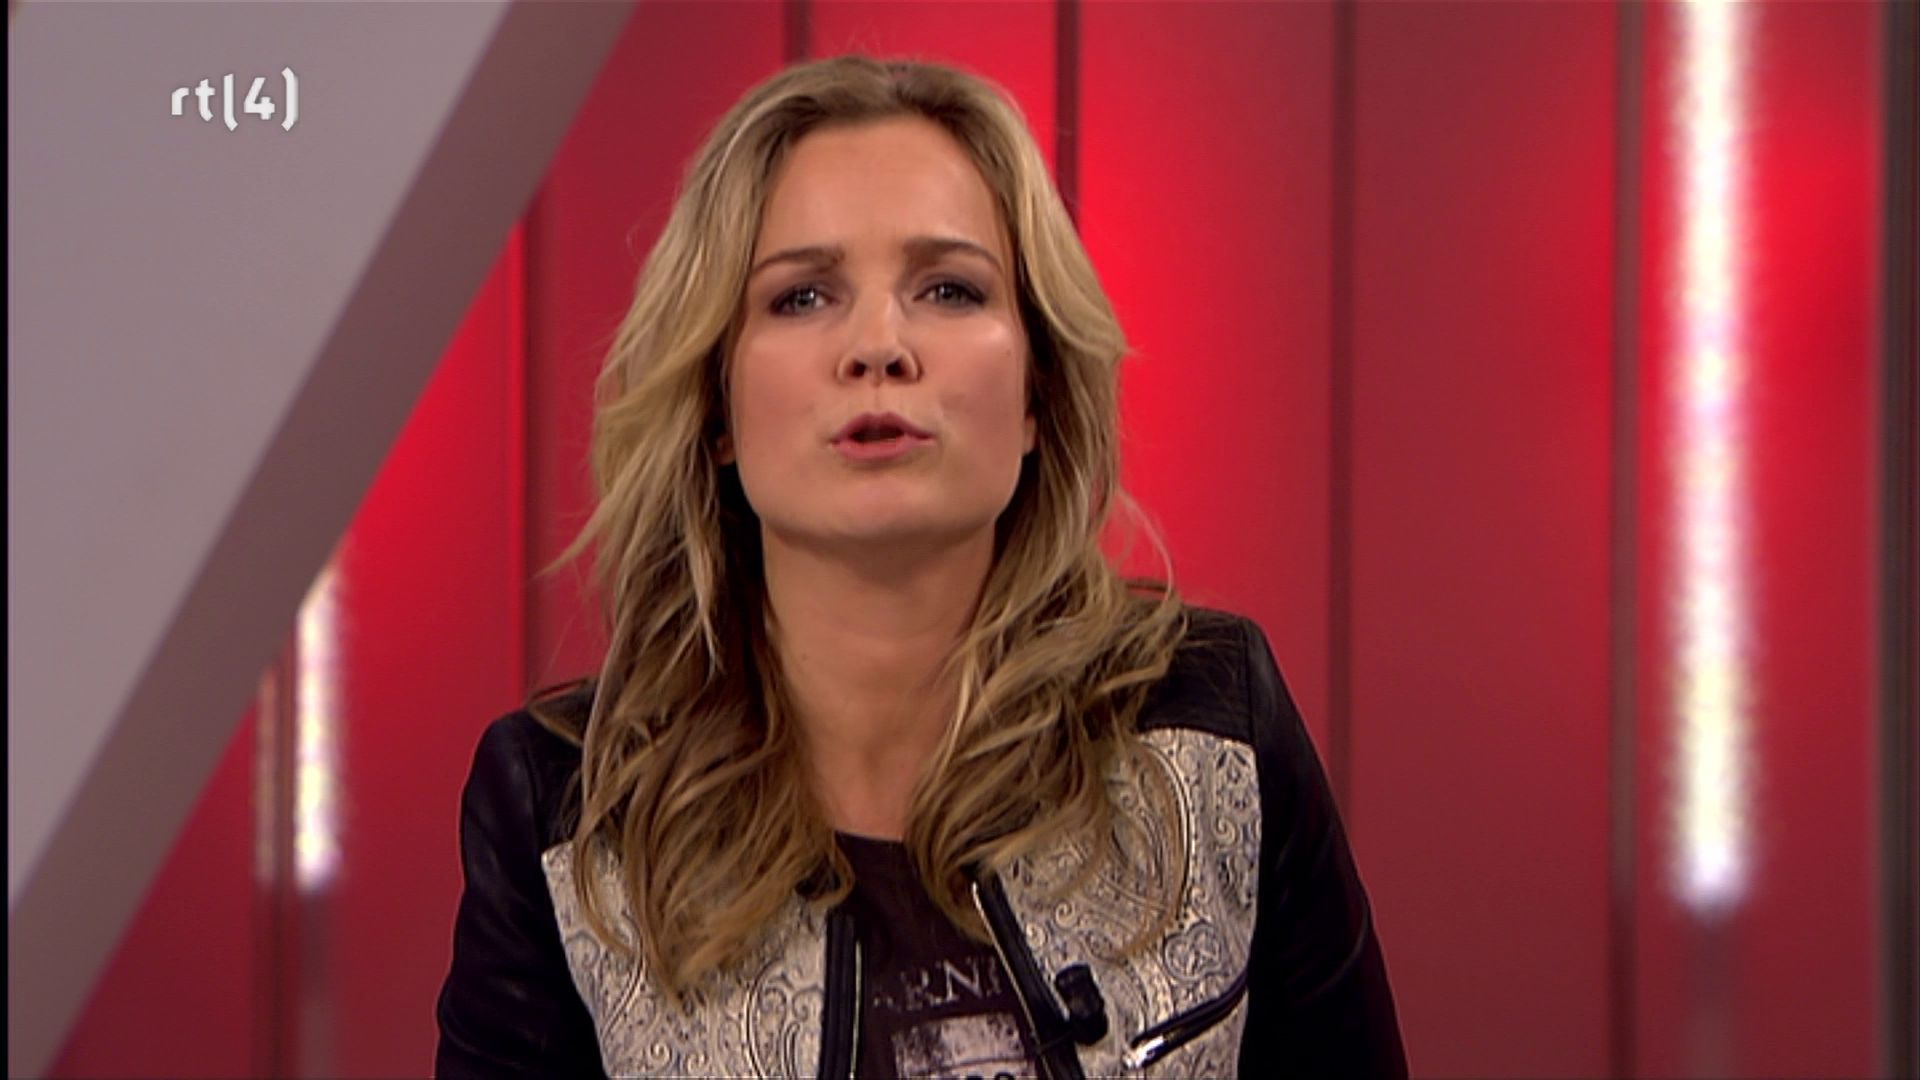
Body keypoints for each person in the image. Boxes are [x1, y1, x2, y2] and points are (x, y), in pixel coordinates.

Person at [435, 54, 1406, 1079]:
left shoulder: (1211, 732)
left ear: (1036, 394)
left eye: (949, 289)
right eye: (803, 297)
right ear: (717, 408)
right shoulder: (567, 812)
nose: (878, 347)